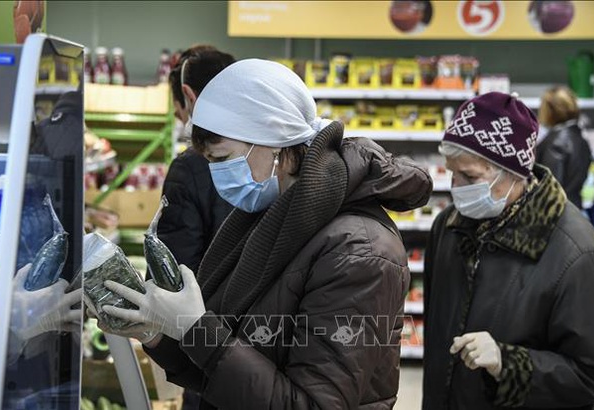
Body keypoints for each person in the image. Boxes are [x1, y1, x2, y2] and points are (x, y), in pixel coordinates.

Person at [99, 59, 433, 409]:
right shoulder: (270, 217)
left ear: (274, 143)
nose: (216, 175)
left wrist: (197, 330)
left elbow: (312, 403)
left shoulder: (358, 252)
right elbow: (226, 370)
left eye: (223, 158)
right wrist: (155, 334)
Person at [422, 92, 594, 409]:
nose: (456, 186)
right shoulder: (447, 228)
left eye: (470, 176)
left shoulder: (575, 252)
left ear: (512, 171)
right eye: (452, 171)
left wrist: (509, 364)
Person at [160, 45, 235, 410]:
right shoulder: (281, 161)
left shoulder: (189, 168)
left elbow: (176, 277)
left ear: (188, 98)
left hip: (210, 352)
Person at [158, 45, 234, 275]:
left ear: (189, 97)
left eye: (177, 108)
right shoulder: (272, 155)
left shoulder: (189, 167)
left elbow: (173, 273)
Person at [536, 86, 592, 209]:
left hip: (557, 216)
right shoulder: (579, 138)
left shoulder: (556, 143)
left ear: (551, 110)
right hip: (574, 208)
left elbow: (552, 190)